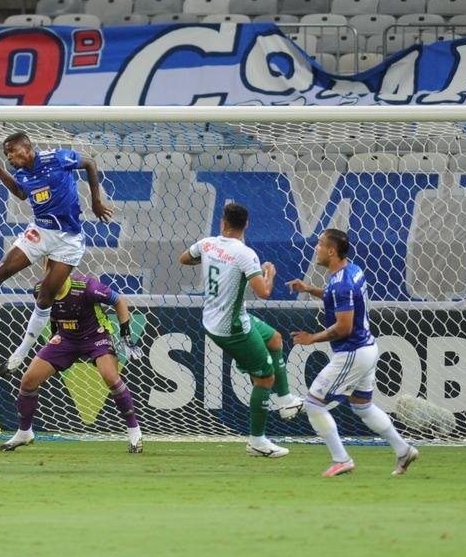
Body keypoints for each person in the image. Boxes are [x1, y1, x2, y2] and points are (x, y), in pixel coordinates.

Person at [0, 132, 113, 377]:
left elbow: (89, 162)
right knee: (1, 269)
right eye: (6, 155)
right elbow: (20, 192)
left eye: (10, 153)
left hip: (68, 240)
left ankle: (20, 355)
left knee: (47, 295)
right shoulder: (23, 174)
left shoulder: (57, 158)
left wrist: (95, 202)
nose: (9, 158)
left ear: (26, 148)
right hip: (41, 230)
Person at [287, 228, 419, 477]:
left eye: (320, 244)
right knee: (363, 406)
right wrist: (308, 289)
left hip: (353, 351)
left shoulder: (342, 284)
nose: (316, 248)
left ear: (331, 251)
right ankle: (403, 450)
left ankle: (342, 459)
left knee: (314, 404)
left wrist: (311, 338)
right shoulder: (352, 270)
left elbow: (344, 327)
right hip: (367, 348)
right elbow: (333, 295)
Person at [179, 201, 288, 457]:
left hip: (215, 318)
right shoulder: (245, 253)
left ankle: (285, 400)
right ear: (246, 225)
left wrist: (209, 261)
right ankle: (257, 442)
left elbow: (184, 259)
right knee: (264, 378)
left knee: (274, 339)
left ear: (223, 223)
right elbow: (263, 293)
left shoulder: (207, 244)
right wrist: (268, 273)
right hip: (232, 327)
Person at [0, 271, 146, 454]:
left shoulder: (87, 287)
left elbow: (119, 301)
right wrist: (54, 334)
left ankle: (134, 431)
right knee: (28, 380)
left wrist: (125, 337)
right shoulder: (40, 289)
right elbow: (49, 312)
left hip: (95, 336)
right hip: (65, 339)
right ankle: (24, 432)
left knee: (110, 377)